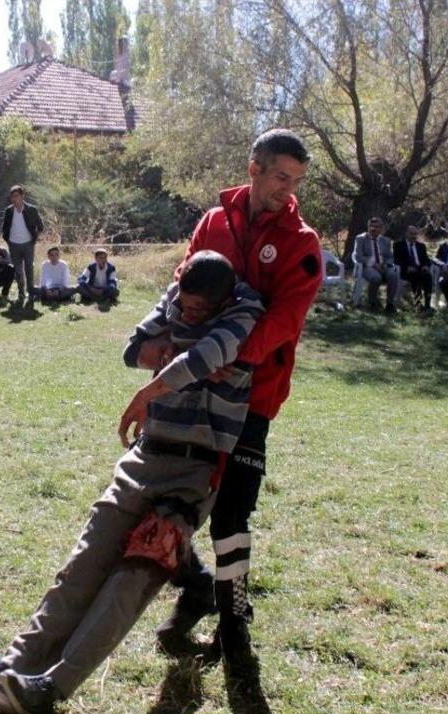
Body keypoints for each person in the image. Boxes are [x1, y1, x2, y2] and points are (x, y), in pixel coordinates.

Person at [0, 251, 265, 714]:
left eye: (200, 310)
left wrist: (156, 382)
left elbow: (212, 353)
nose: (187, 312)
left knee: (131, 579)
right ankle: (10, 668)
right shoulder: (177, 297)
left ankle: (49, 688)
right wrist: (176, 355)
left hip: (195, 469)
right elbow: (134, 347)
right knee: (81, 567)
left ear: (224, 299)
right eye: (184, 305)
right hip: (145, 454)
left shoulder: (246, 308)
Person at [140, 129, 321, 682]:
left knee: (232, 511)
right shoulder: (213, 222)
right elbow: (184, 284)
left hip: (256, 394)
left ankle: (234, 620)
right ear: (254, 168)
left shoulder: (302, 242)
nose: (288, 192)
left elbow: (285, 319)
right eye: (280, 178)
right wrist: (165, 343)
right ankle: (196, 587)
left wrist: (235, 357)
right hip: (193, 388)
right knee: (165, 496)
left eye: (296, 182)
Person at [2, 184, 44, 304]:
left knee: (29, 268)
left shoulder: (31, 209)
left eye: (16, 196)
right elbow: (4, 228)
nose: (14, 199)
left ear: (22, 196)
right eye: (12, 197)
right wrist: (8, 240)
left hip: (28, 244)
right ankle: (21, 293)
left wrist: (34, 238)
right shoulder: (8, 211)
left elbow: (40, 226)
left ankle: (30, 292)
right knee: (18, 270)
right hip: (13, 245)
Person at [352, 216, 399, 313]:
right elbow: (358, 256)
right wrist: (373, 263)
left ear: (381, 229)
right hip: (367, 267)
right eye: (371, 226)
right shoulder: (360, 238)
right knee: (376, 278)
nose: (373, 229)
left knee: (393, 275)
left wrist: (386, 264)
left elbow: (390, 256)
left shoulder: (385, 240)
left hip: (383, 266)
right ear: (368, 227)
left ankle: (390, 304)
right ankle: (372, 303)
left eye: (377, 227)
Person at [393, 225, 432, 310]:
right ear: (406, 234)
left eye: (415, 234)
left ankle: (428, 304)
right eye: (411, 234)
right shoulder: (398, 245)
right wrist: (407, 267)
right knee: (415, 276)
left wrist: (426, 265)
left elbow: (426, 259)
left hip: (420, 269)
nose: (413, 236)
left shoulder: (421, 246)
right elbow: (396, 260)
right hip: (406, 271)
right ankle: (418, 303)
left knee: (428, 276)